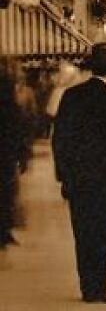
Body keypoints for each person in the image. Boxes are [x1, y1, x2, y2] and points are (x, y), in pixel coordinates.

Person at [52, 43, 106, 304]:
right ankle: (100, 286)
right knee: (105, 233)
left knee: (83, 232)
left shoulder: (71, 96)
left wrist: (63, 176)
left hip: (79, 179)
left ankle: (88, 287)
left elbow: (60, 139)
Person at [0, 60, 25, 248]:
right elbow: (15, 124)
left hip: (6, 148)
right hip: (6, 149)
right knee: (6, 190)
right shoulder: (9, 103)